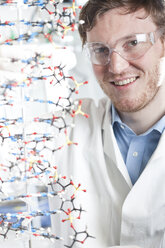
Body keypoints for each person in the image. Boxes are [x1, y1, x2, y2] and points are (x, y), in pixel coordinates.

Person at [50, 0, 165, 247]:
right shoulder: (65, 127)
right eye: (101, 50)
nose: (117, 66)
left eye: (133, 43)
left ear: (163, 43)